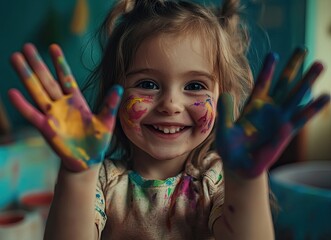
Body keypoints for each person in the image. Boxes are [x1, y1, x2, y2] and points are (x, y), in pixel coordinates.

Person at [8, 0, 330, 239]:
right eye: (147, 84)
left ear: (222, 98)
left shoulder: (215, 182)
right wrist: (78, 175)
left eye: (195, 86)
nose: (171, 104)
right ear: (114, 95)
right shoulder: (102, 183)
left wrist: (246, 181)